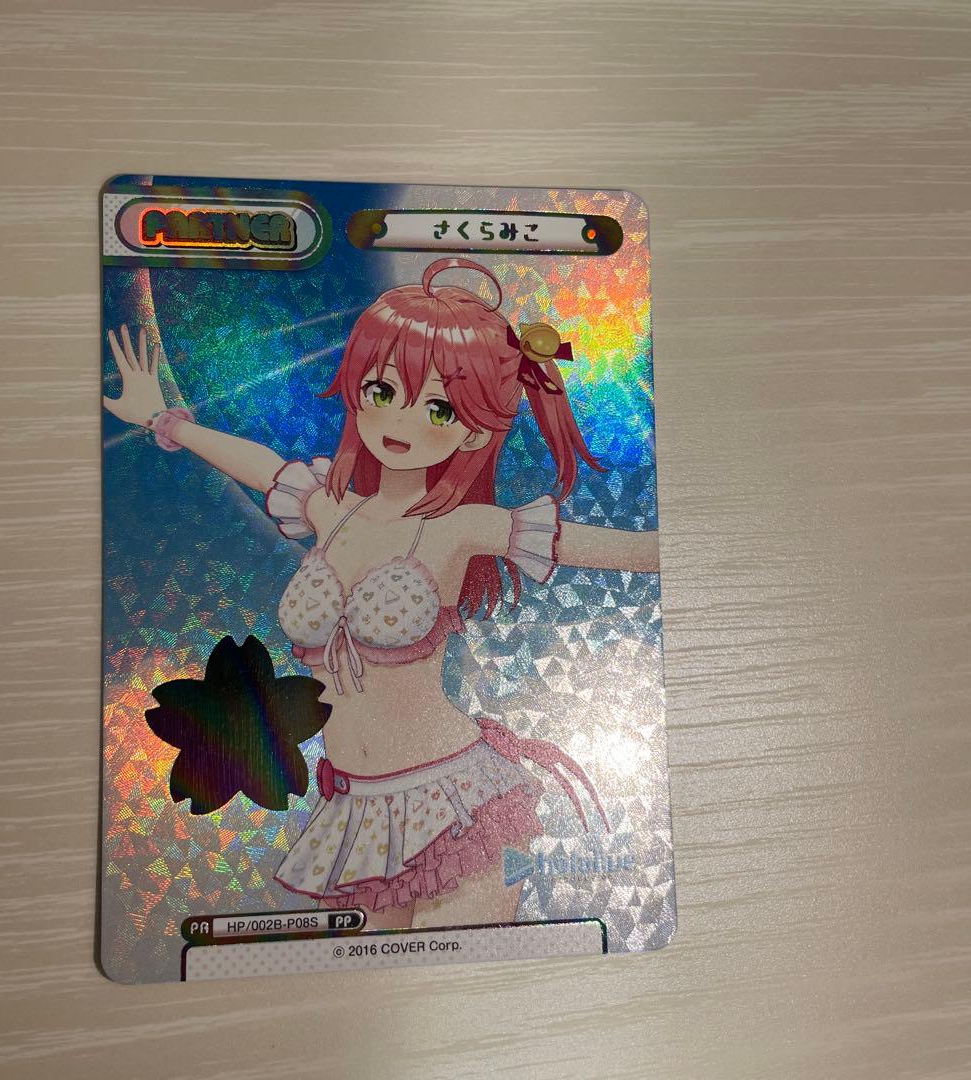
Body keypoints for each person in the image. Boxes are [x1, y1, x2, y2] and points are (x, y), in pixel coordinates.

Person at [103, 258, 659, 930]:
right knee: (379, 981)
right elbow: (264, 467)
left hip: (454, 798)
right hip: (356, 807)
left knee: (463, 973)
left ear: (474, 429)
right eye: (382, 389)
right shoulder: (330, 510)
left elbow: (616, 549)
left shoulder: (460, 527)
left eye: (438, 406)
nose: (400, 420)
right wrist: (163, 421)